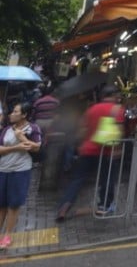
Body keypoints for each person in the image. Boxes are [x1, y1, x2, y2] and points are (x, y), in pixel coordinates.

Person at [55, 86, 124, 221]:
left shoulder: (91, 109)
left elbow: (82, 129)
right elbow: (119, 131)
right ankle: (104, 206)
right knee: (107, 178)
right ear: (114, 96)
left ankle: (64, 207)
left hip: (88, 149)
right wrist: (118, 147)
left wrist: (80, 145)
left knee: (78, 179)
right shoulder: (116, 110)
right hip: (107, 150)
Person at [0, 101, 42, 250]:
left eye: (16, 112)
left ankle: (7, 235)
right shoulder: (6, 129)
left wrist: (22, 137)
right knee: (1, 205)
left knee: (13, 205)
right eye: (12, 111)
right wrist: (16, 146)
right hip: (3, 169)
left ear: (24, 114)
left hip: (20, 171)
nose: (11, 114)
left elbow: (36, 148)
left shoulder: (32, 129)